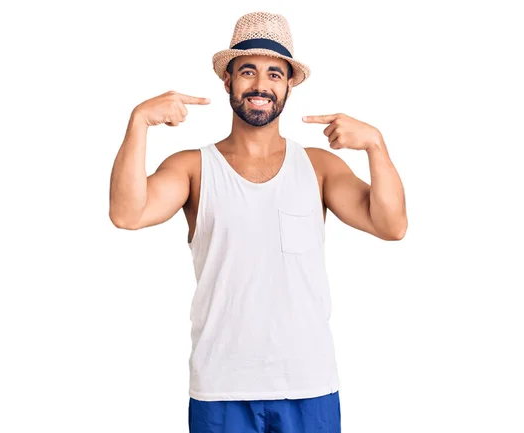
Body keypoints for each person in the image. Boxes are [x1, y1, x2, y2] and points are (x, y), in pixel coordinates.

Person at [109, 11, 407, 433]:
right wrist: (138, 122)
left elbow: (391, 225)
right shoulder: (193, 168)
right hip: (221, 388)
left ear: (288, 86)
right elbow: (126, 214)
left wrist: (376, 146)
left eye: (274, 74)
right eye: (247, 71)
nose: (261, 85)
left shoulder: (318, 167)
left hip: (308, 385)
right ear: (228, 81)